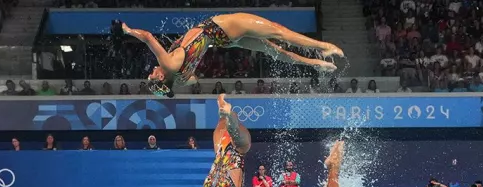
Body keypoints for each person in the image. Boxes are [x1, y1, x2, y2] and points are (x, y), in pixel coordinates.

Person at [117, 14, 343, 97]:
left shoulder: (181, 78)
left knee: (275, 51)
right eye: (151, 75)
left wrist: (166, 86)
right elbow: (146, 35)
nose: (151, 71)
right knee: (277, 31)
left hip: (222, 41)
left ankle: (315, 64)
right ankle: (323, 47)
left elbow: (192, 79)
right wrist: (128, 31)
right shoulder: (166, 64)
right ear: (159, 77)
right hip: (220, 28)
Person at [191, 94, 250, 187]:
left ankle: (229, 115)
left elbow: (234, 128)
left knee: (233, 128)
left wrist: (225, 108)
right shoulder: (219, 140)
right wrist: (220, 101)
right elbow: (224, 119)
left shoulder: (240, 147)